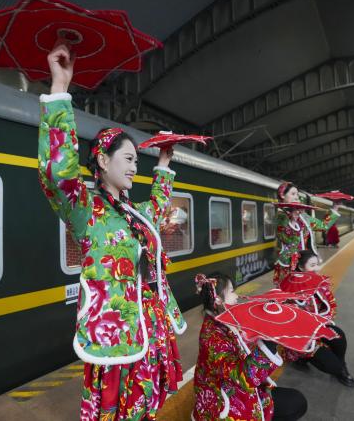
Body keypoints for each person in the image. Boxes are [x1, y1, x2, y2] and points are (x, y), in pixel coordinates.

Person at [38, 42, 185, 420]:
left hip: (148, 326)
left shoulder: (132, 212)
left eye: (138, 160)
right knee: (116, 411)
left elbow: (157, 208)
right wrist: (59, 92)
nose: (137, 168)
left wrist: (165, 163)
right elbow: (58, 174)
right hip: (114, 338)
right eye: (130, 159)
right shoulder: (85, 210)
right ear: (103, 160)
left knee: (144, 406)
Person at [192, 273, 308, 421]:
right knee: (295, 403)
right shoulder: (212, 336)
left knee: (296, 401)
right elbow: (241, 378)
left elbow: (245, 347)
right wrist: (269, 345)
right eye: (232, 291)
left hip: (235, 389)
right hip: (225, 399)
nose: (236, 296)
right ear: (219, 299)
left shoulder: (222, 321)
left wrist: (268, 323)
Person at [285, 250, 354, 388]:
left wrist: (322, 320)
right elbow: (290, 322)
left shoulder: (317, 281)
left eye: (317, 264)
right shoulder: (289, 287)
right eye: (312, 265)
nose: (317, 268)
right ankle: (303, 358)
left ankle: (342, 365)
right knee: (333, 366)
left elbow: (331, 306)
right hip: (302, 337)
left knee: (339, 337)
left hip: (318, 326)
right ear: (300, 267)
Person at [273, 182, 339, 286]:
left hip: (306, 264)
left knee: (308, 291)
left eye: (297, 195)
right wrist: (294, 218)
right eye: (293, 194)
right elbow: (288, 239)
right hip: (289, 266)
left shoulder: (303, 216)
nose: (296, 197)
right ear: (282, 195)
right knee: (291, 295)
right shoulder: (280, 216)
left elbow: (323, 226)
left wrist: (335, 207)